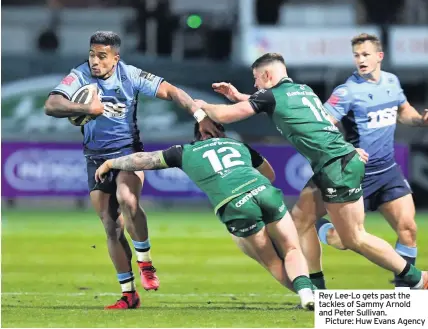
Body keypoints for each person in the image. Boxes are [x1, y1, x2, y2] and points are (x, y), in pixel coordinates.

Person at [194, 52, 428, 290]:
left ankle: (417, 278)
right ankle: (317, 290)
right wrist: (238, 96)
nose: (255, 84)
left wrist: (199, 106)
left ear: (267, 74)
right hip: (336, 161)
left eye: (256, 79)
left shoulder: (272, 96)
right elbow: (280, 105)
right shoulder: (303, 90)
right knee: (300, 222)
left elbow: (225, 116)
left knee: (354, 238)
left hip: (337, 165)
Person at [44, 31, 221, 309]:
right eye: (92, 54)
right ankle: (129, 295)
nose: (95, 61)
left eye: (102, 56)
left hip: (129, 152)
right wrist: (85, 108)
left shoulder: (131, 75)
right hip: (95, 157)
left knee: (128, 199)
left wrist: (199, 115)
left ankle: (145, 261)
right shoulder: (79, 75)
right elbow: (51, 105)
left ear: (115, 58)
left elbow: (172, 91)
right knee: (111, 227)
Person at [94, 122, 316, 310]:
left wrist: (110, 163)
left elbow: (145, 160)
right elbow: (270, 174)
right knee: (292, 249)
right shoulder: (238, 145)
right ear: (222, 132)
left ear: (197, 135)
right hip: (264, 192)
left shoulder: (185, 151)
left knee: (271, 261)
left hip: (235, 205)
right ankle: (310, 293)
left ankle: (309, 297)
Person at [301, 33, 428, 289]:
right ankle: (320, 229)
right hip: (353, 173)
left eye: (366, 54)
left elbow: (403, 111)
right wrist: (346, 148)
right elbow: (320, 125)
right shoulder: (347, 92)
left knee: (408, 229)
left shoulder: (391, 82)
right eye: (357, 55)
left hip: (387, 170)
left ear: (379, 56)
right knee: (345, 240)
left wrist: (420, 120)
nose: (361, 59)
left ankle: (405, 293)